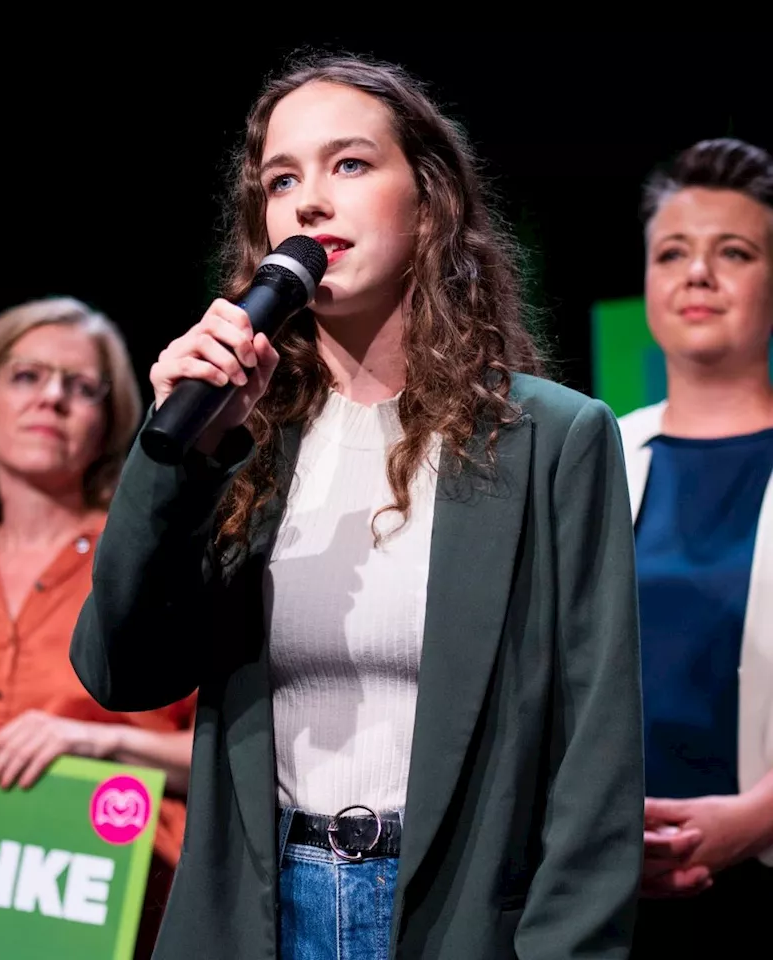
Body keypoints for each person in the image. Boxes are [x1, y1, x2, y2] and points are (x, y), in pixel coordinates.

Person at [70, 53, 645, 959]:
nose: (308, 202)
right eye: (282, 180)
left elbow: (596, 745)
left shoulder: (553, 439)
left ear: (430, 202)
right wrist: (172, 446)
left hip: (455, 919)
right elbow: (120, 667)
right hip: (259, 918)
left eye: (349, 165)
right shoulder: (246, 441)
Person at [0, 296, 197, 960]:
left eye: (82, 387)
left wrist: (91, 742)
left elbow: (235, 760)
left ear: (105, 425)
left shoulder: (151, 567)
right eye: (26, 376)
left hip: (127, 911)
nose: (52, 398)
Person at [617, 138, 773, 956]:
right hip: (601, 886)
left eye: (735, 252)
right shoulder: (596, 455)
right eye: (672, 252)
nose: (698, 273)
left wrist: (757, 820)